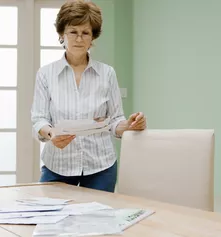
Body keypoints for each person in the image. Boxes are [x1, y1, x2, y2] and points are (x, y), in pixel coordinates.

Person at [31, 0, 146, 193]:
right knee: (51, 220)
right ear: (62, 35)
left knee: (96, 222)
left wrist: (128, 126)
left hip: (100, 167)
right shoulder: (45, 74)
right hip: (57, 165)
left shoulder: (107, 73)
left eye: (85, 33)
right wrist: (51, 134)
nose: (79, 39)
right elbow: (38, 119)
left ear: (93, 37)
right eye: (73, 32)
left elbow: (115, 119)